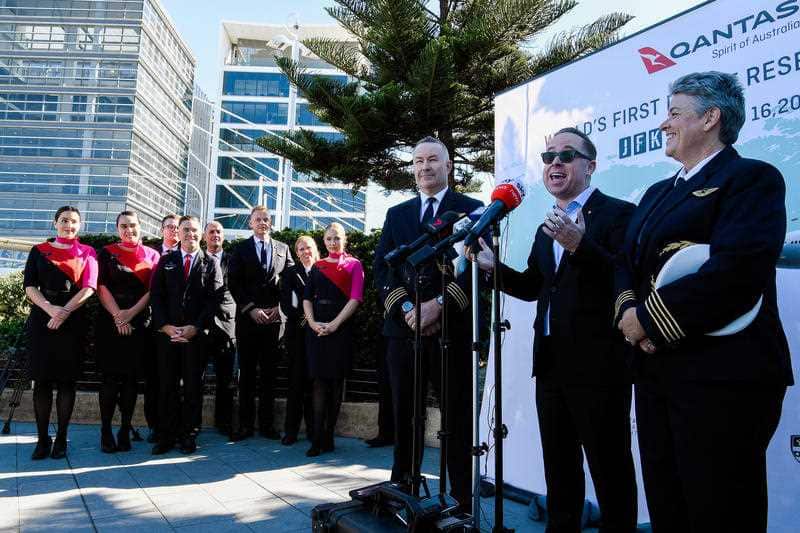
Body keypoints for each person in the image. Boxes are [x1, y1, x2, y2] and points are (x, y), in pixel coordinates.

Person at [615, 71, 793, 532]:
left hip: (722, 376)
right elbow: (626, 266)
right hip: (655, 374)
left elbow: (739, 270)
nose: (663, 124)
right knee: (668, 506)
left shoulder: (752, 178)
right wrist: (629, 317)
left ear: (711, 117)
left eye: (674, 113)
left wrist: (648, 324)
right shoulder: (656, 193)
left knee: (721, 510)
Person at [469, 128, 638, 531]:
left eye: (566, 155)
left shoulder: (619, 214)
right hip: (551, 367)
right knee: (560, 472)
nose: (555, 163)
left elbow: (624, 275)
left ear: (590, 166)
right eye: (548, 157)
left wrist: (580, 245)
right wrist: (494, 269)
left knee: (610, 470)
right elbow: (533, 286)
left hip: (600, 367)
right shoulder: (547, 228)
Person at [373, 136, 481, 512]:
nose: (424, 168)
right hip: (403, 333)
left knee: (456, 415)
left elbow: (475, 274)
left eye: (432, 160)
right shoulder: (397, 215)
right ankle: (402, 489)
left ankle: (463, 499)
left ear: (449, 166)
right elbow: (383, 271)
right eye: (417, 161)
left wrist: (438, 306)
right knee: (405, 413)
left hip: (450, 330)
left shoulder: (472, 209)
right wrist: (406, 307)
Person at [23, 206, 98, 460]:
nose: (69, 225)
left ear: (80, 225)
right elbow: (30, 286)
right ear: (55, 223)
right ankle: (42, 439)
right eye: (64, 220)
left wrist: (63, 312)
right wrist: (49, 308)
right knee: (41, 382)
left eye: (74, 221)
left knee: (67, 382)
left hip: (73, 321)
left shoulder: (88, 252)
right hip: (42, 320)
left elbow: (89, 287)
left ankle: (62, 438)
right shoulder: (38, 251)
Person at [149, 215, 223, 454]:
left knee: (193, 387)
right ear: (176, 233)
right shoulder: (166, 260)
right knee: (167, 385)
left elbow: (214, 300)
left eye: (194, 230)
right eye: (185, 230)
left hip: (195, 337)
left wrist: (195, 328)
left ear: (200, 234)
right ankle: (167, 434)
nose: (190, 234)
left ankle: (189, 434)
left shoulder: (210, 263)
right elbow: (156, 296)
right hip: (167, 335)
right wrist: (165, 326)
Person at [95, 210, 160, 453]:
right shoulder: (106, 253)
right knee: (110, 380)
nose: (128, 230)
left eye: (132, 226)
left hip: (138, 322)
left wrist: (130, 315)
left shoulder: (153, 255)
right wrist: (118, 317)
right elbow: (100, 286)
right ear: (117, 228)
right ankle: (105, 431)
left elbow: (153, 290)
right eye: (123, 226)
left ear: (140, 227)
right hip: (110, 323)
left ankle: (124, 429)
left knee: (132, 380)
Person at [227, 205, 294, 441]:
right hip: (248, 321)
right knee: (246, 375)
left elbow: (291, 283)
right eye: (258, 219)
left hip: (274, 322)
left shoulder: (283, 249)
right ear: (250, 223)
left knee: (269, 375)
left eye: (266, 219)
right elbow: (233, 283)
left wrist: (280, 309)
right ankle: (244, 425)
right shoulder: (240, 249)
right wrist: (251, 309)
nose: (262, 223)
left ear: (271, 223)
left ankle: (267, 425)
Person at [303, 224, 364, 457]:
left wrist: (335, 325)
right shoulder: (317, 266)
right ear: (324, 241)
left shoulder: (355, 265)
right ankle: (317, 439)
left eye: (336, 238)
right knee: (318, 383)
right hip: (317, 329)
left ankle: (328, 436)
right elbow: (307, 298)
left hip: (341, 329)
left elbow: (356, 298)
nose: (332, 242)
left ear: (344, 240)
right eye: (328, 238)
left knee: (336, 384)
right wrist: (312, 323)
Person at [143, 212, 181, 443]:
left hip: (180, 327)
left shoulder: (188, 254)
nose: (174, 231)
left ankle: (174, 425)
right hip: (153, 325)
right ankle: (154, 425)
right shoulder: (151, 254)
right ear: (162, 230)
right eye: (169, 227)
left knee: (176, 379)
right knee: (154, 379)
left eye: (177, 227)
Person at [278, 235, 319, 446]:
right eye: (301, 249)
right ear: (297, 253)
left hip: (319, 336)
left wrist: (314, 318)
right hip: (296, 334)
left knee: (314, 385)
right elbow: (288, 304)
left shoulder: (322, 271)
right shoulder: (290, 273)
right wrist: (306, 317)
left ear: (315, 249)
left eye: (308, 247)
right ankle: (291, 431)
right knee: (295, 384)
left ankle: (314, 430)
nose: (305, 252)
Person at [203, 221, 237, 435]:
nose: (215, 235)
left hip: (227, 324)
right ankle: (191, 424)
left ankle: (224, 423)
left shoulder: (234, 261)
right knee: (195, 377)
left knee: (227, 379)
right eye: (211, 232)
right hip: (201, 326)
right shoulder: (197, 259)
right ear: (204, 236)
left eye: (219, 232)